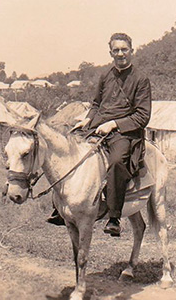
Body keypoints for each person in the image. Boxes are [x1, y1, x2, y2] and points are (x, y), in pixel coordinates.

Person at [48, 33, 151, 236]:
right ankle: (62, 209)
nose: (120, 54)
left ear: (132, 50)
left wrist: (114, 124)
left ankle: (114, 217)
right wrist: (87, 119)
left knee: (116, 161)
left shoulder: (141, 79)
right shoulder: (105, 76)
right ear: (110, 52)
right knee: (68, 150)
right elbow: (96, 104)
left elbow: (143, 116)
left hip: (124, 132)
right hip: (97, 125)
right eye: (116, 50)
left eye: (124, 49)